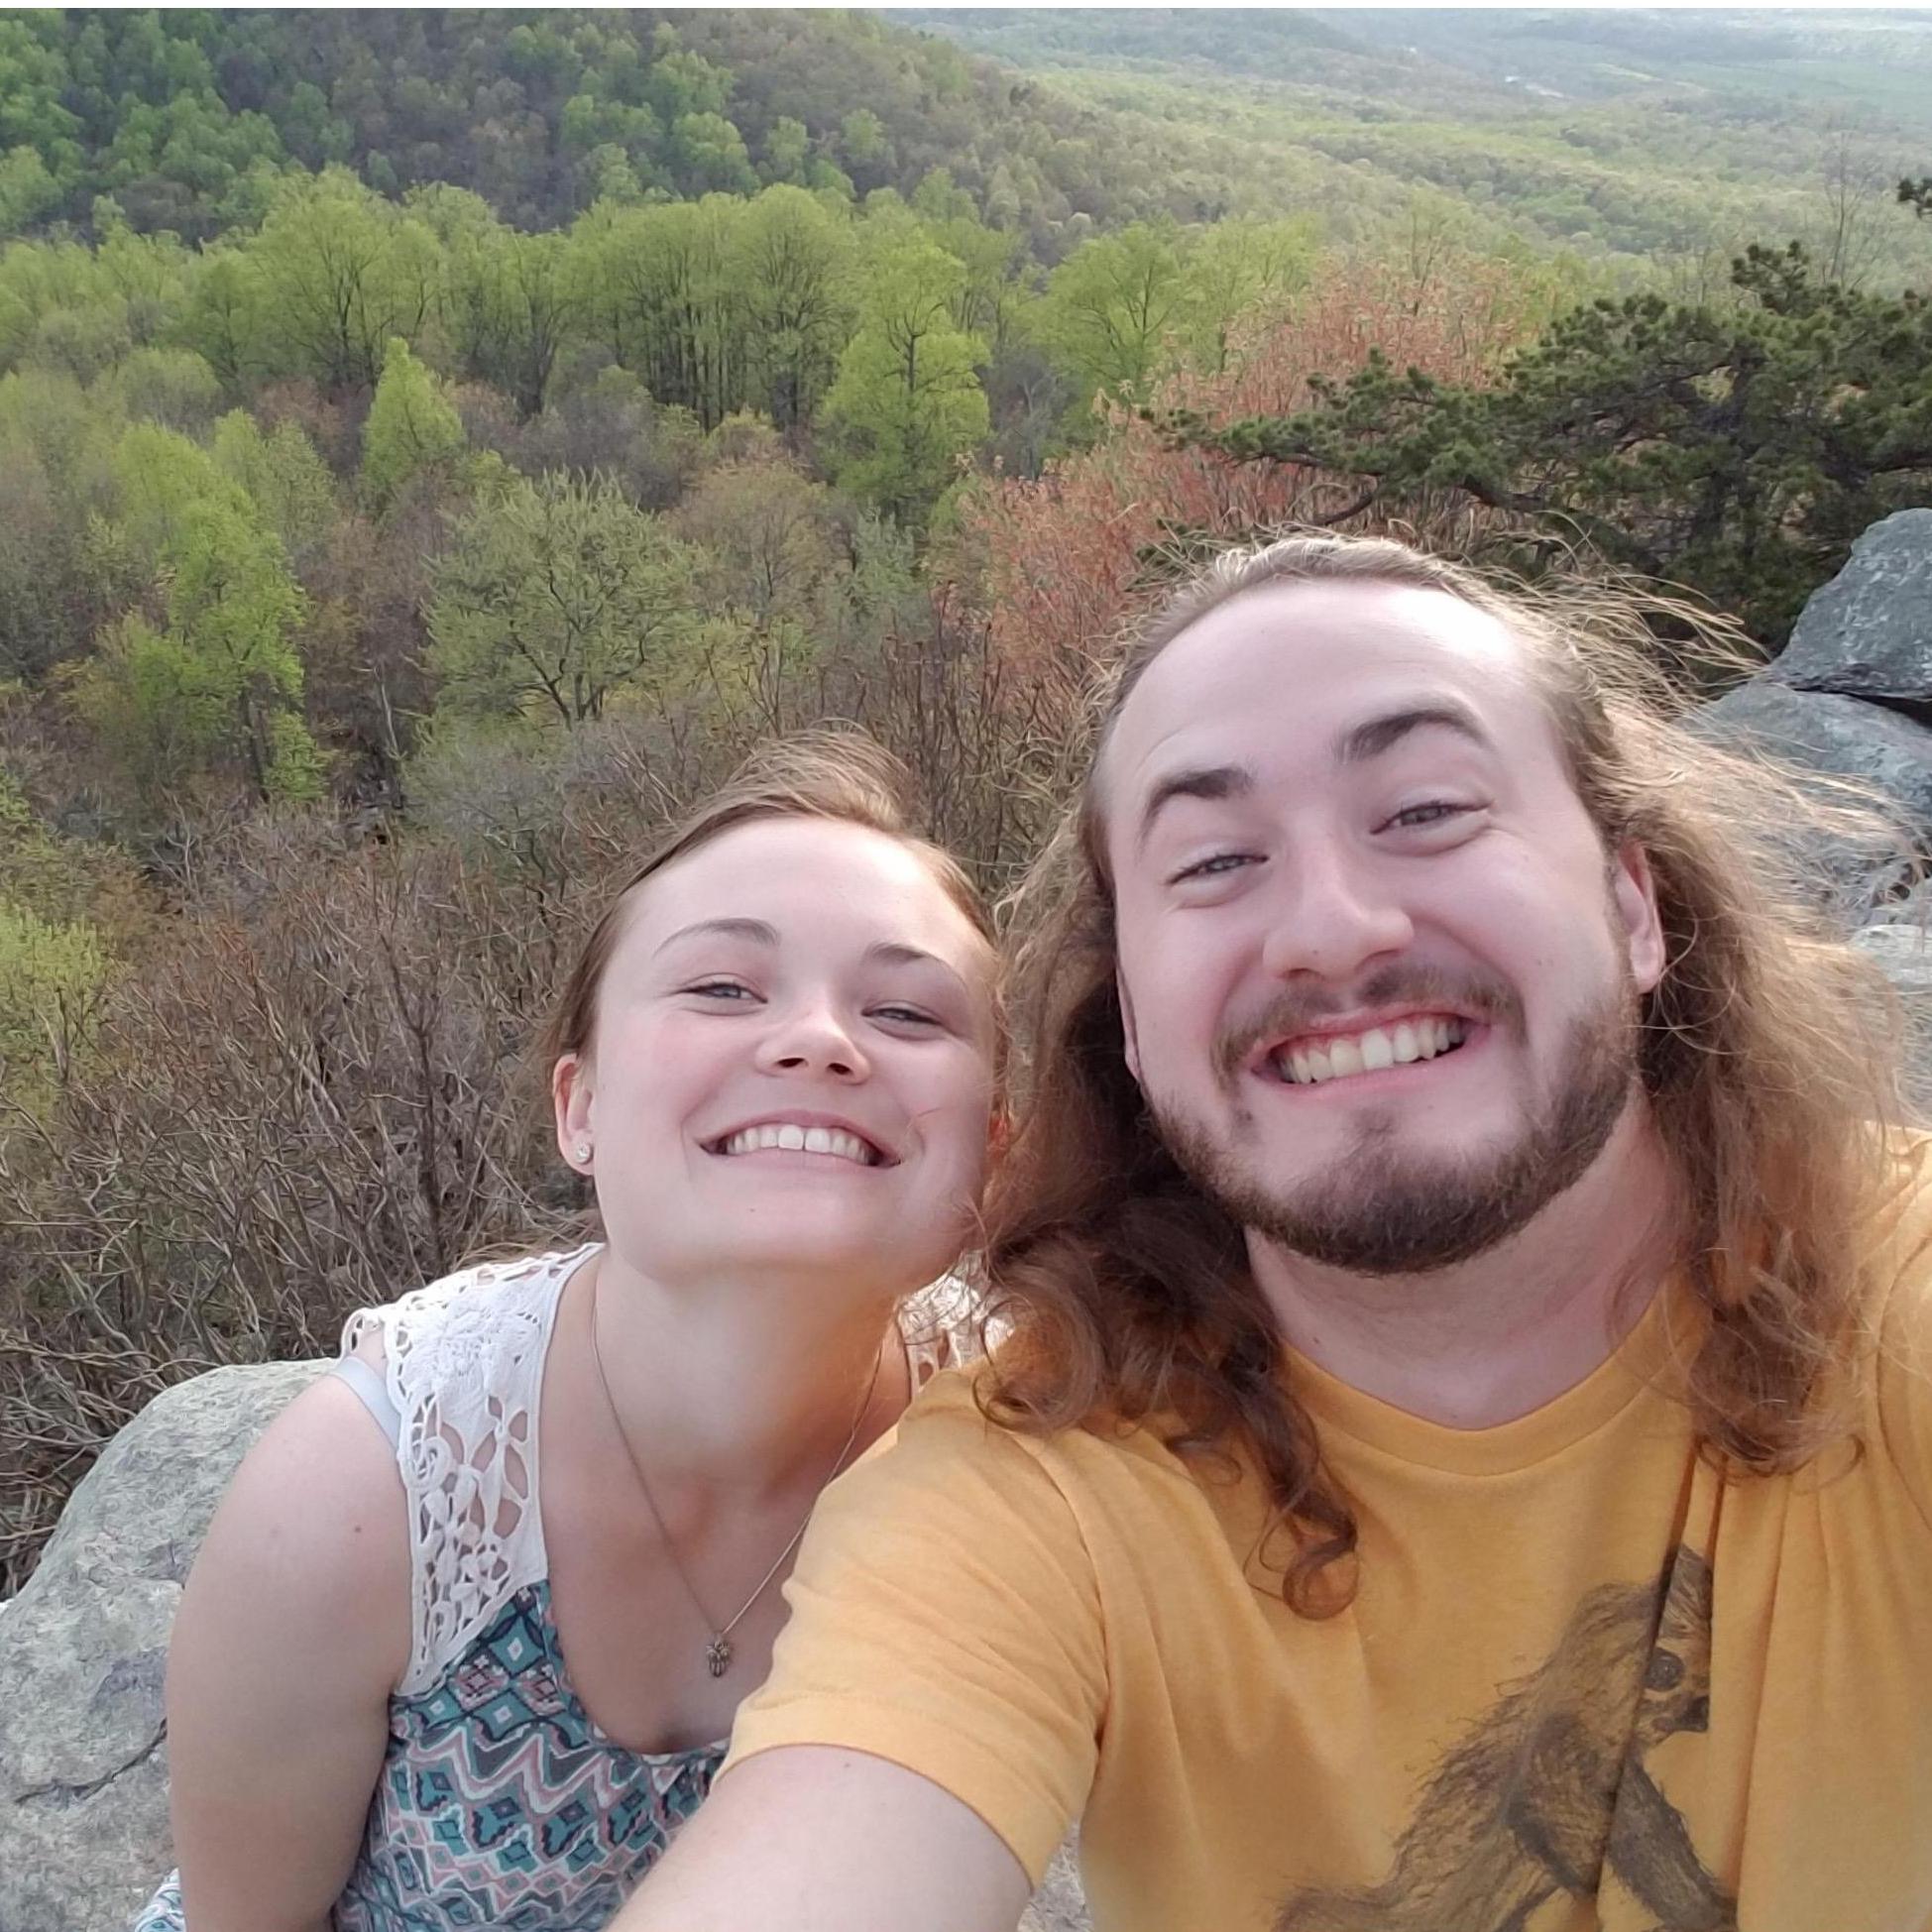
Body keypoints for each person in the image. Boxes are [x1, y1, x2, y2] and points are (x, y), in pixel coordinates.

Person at [618, 533, 1932, 1932]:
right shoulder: (1026, 1496)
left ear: (1630, 904)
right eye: (1217, 860)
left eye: (1424, 809)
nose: (1330, 927)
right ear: (1130, 1013)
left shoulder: (1885, 1278)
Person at [132, 731, 1002, 1932]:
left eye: (905, 1007)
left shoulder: (1027, 1442)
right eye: (720, 987)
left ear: (994, 1143)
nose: (817, 1038)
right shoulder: (377, 1499)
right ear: (578, 1106)